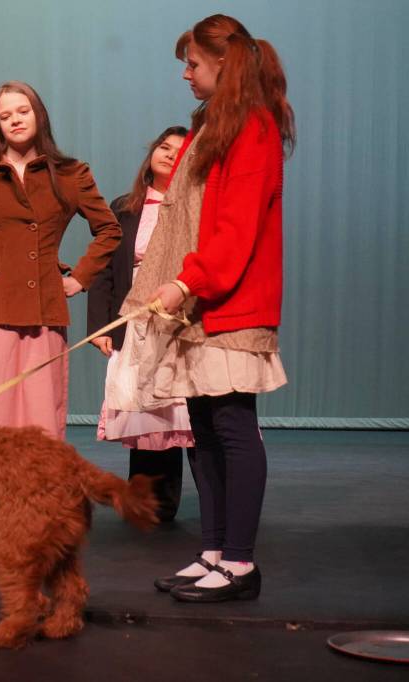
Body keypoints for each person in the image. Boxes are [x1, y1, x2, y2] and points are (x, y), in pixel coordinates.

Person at [121, 15, 295, 602]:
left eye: (192, 63)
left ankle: (240, 563)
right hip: (199, 307)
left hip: (229, 303)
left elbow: (235, 229)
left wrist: (183, 282)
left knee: (232, 426)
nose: (185, 74)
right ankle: (215, 551)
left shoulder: (253, 127)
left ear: (224, 62)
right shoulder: (212, 126)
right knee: (202, 429)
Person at [0, 81, 121, 439]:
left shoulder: (70, 174)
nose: (15, 120)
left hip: (42, 313)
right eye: (5, 115)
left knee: (37, 423)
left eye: (23, 111)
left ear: (39, 115)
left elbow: (109, 230)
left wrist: (80, 278)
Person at [87, 126, 193, 523]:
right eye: (164, 147)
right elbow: (105, 270)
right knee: (144, 409)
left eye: (179, 150)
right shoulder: (126, 207)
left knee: (179, 410)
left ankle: (184, 502)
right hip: (134, 319)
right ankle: (148, 502)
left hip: (178, 319)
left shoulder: (193, 206)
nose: (169, 154)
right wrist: (101, 326)